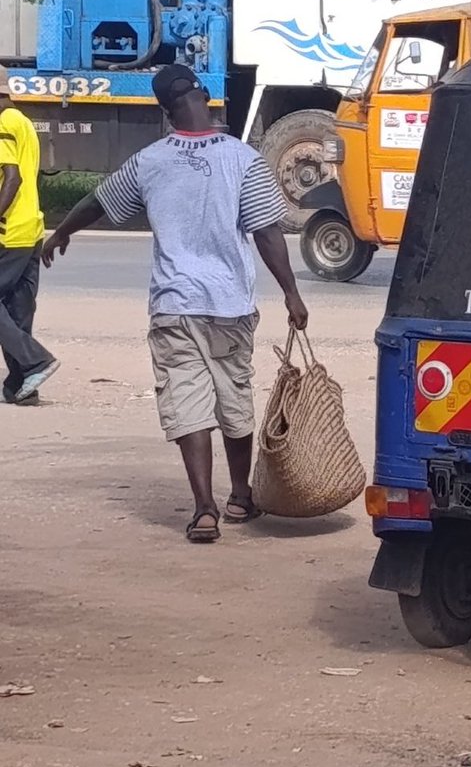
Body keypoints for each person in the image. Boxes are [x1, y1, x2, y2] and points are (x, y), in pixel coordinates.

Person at [42, 64, 308, 543]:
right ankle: (240, 495)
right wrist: (292, 293)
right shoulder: (242, 159)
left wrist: (62, 231)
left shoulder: (151, 160)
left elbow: (99, 200)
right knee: (234, 399)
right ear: (203, 96)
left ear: (165, 111)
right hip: (229, 304)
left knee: (187, 404)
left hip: (174, 304)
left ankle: (204, 510)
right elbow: (267, 232)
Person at [0, 66, 60, 405]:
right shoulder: (22, 121)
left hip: (9, 231)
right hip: (32, 228)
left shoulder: (2, 124)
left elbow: (12, 178)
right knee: (18, 309)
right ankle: (22, 386)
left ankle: (36, 360)